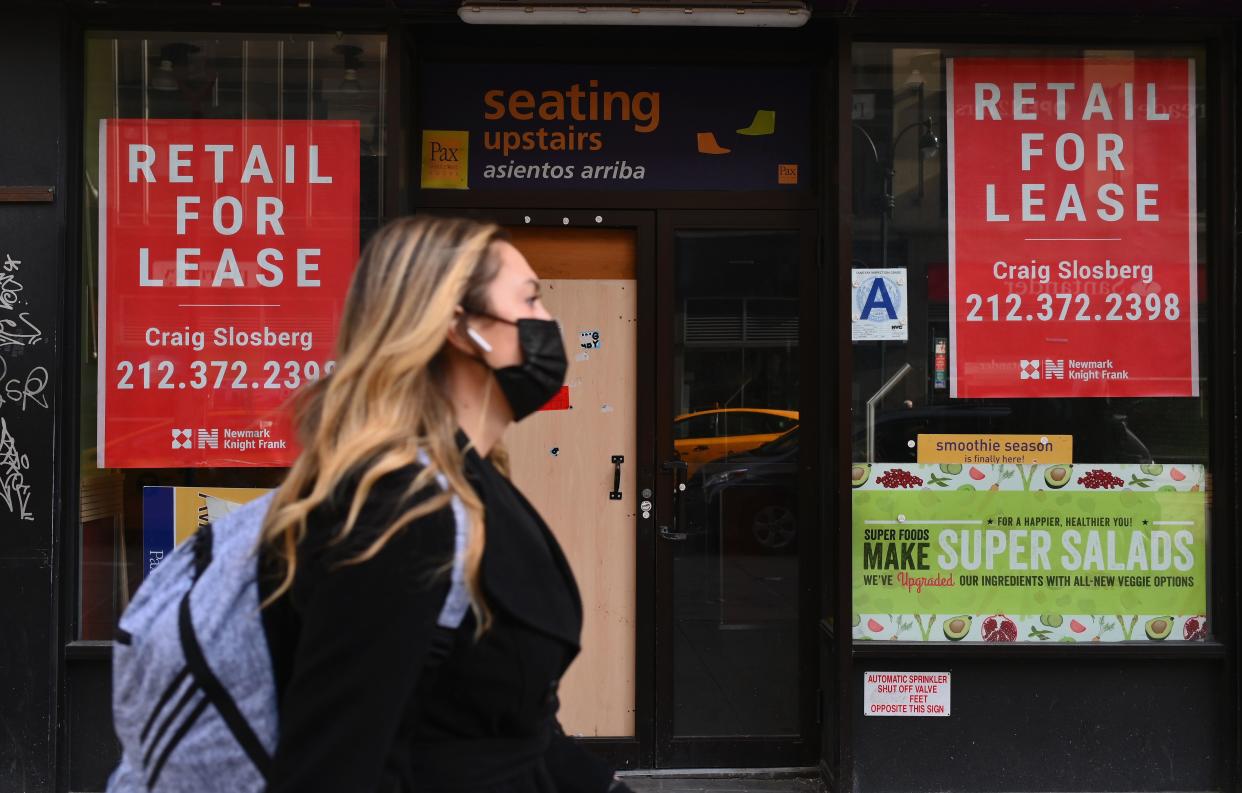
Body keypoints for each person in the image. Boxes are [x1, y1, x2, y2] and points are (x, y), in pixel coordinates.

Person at [258, 215, 628, 793]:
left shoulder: (467, 480)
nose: (548, 324)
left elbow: (498, 725)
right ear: (461, 328)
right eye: (529, 301)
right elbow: (336, 766)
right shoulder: (398, 514)